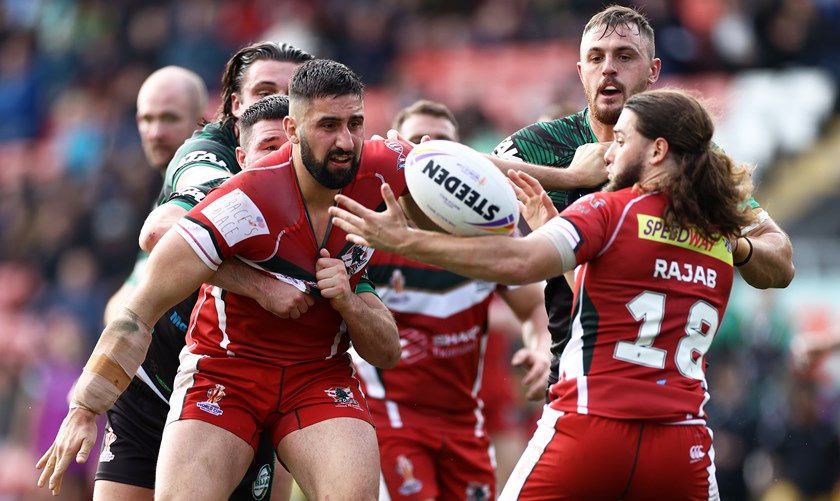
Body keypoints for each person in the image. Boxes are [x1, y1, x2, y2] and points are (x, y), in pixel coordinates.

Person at [330, 88, 757, 500]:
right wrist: (549, 227)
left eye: (621, 141)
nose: (609, 152)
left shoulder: (609, 209)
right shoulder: (720, 239)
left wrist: (404, 240)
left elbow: (515, 263)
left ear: (658, 151)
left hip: (591, 429)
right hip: (683, 445)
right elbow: (619, 308)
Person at [37, 58, 414, 501]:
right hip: (216, 375)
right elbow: (154, 243)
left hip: (315, 376)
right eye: (329, 124)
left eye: (354, 124)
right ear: (243, 150)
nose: (344, 139)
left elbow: (388, 350)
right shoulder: (232, 196)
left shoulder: (370, 173)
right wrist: (84, 406)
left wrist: (348, 299)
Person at [486, 4, 795, 394]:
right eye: (596, 58)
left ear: (654, 70)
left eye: (625, 56)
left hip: (667, 388)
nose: (608, 68)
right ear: (581, 72)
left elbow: (781, 262)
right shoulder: (545, 144)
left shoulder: (694, 157)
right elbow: (464, 170)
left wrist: (728, 242)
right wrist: (568, 178)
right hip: (577, 381)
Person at [80, 44, 313, 501]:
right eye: (266, 92)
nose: (280, 105)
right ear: (236, 105)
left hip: (245, 381)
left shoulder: (325, 161)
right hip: (158, 377)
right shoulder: (210, 155)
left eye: (293, 93)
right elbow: (160, 231)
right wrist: (261, 287)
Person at [358, 99, 550, 500]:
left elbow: (532, 306)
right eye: (415, 143)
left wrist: (541, 348)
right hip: (391, 416)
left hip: (465, 419)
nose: (429, 155)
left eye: (441, 143)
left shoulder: (492, 233)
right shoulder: (370, 230)